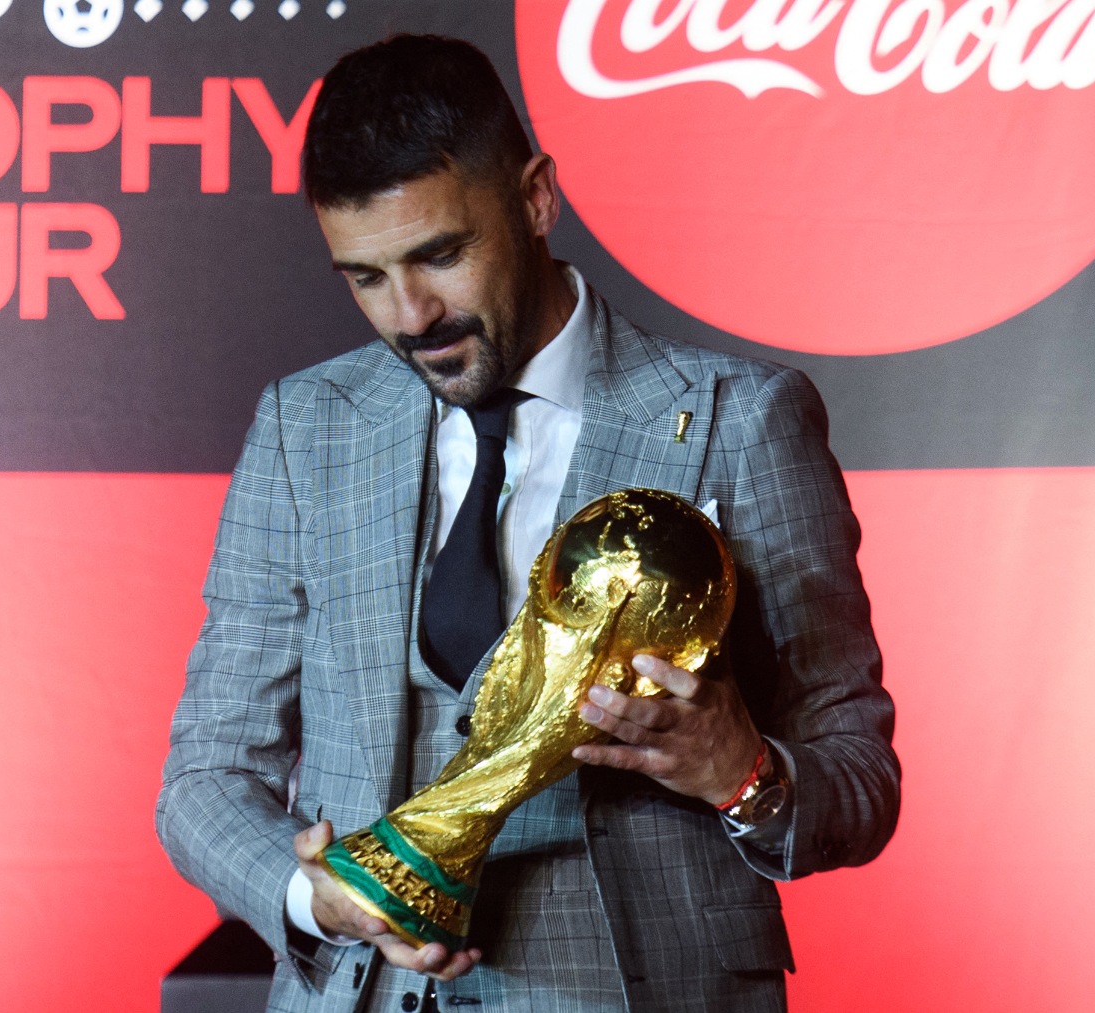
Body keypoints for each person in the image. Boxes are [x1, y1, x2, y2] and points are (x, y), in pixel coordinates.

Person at [156, 33, 899, 1013]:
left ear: (537, 197)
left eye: (440, 254)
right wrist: (316, 896)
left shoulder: (741, 418)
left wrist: (744, 771)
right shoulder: (307, 428)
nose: (411, 314)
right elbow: (205, 776)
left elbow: (859, 776)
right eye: (366, 275)